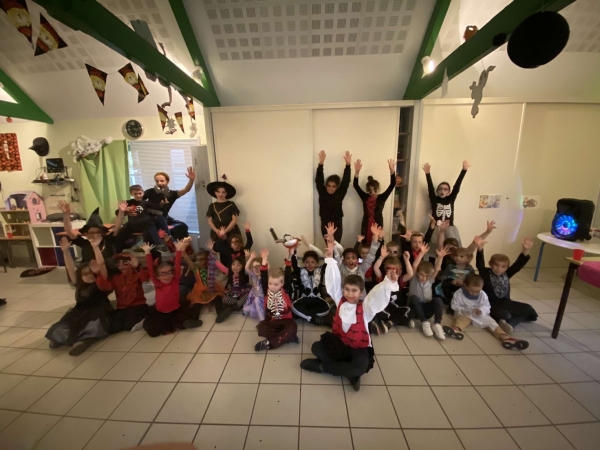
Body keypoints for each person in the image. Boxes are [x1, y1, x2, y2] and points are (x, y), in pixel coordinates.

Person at [300, 241, 397, 391]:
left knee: (359, 367)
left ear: (361, 292)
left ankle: (323, 367)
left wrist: (387, 282)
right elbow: (333, 282)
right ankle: (348, 372)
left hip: (358, 348)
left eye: (354, 291)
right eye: (347, 290)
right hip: (340, 345)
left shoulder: (366, 308)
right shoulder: (340, 300)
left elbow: (377, 296)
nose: (350, 294)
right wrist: (330, 260)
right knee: (316, 348)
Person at [45, 237, 114, 356]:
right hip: (80, 311)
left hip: (99, 310)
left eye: (91, 273)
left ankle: (84, 341)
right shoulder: (78, 283)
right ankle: (63, 338)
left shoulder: (99, 282)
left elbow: (101, 265)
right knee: (67, 325)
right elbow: (71, 267)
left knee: (92, 326)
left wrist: (95, 247)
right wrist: (66, 251)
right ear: (80, 276)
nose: (89, 276)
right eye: (85, 274)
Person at [443, 273, 529, 350]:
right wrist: (465, 310)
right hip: (465, 312)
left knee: (491, 322)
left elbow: (486, 306)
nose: (474, 294)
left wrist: (481, 310)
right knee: (463, 319)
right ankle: (456, 329)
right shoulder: (458, 293)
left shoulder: (482, 294)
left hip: (478, 313)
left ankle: (505, 337)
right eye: (472, 291)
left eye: (477, 291)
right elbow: (454, 305)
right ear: (465, 285)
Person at [474, 235, 538, 331]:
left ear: (506, 268)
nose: (499, 268)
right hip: (490, 304)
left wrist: (525, 251)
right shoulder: (486, 273)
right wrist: (480, 249)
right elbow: (480, 264)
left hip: (505, 303)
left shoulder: (506, 275)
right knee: (506, 314)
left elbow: (517, 266)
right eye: (496, 265)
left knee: (528, 309)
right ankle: (507, 320)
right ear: (491, 264)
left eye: (503, 266)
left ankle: (510, 323)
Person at [141, 240, 203, 337]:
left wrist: (178, 250)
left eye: (170, 272)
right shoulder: (157, 283)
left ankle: (188, 322)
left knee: (186, 315)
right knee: (152, 330)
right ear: (157, 276)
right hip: (161, 312)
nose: (167, 275)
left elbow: (177, 265)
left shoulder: (175, 280)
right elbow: (150, 268)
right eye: (163, 273)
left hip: (176, 310)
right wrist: (147, 252)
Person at [255, 249, 300, 351]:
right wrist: (264, 260)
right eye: (270, 284)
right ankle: (287, 336)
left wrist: (288, 257)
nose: (272, 287)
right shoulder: (267, 290)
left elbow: (288, 274)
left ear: (282, 284)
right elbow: (263, 277)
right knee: (261, 329)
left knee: (293, 327)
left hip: (286, 320)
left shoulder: (286, 290)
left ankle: (269, 344)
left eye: (276, 284)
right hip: (273, 320)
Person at [95, 252, 149, 334]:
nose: (121, 266)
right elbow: (106, 287)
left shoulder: (136, 273)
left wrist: (137, 266)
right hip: (122, 308)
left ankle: (145, 317)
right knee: (113, 327)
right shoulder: (116, 277)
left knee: (129, 325)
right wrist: (98, 274)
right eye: (118, 264)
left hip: (137, 305)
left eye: (125, 263)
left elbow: (145, 278)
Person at [370, 248, 419, 334]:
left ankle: (390, 323)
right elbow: (376, 268)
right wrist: (381, 257)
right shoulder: (382, 279)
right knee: (376, 311)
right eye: (389, 270)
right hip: (383, 307)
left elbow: (410, 274)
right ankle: (400, 321)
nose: (392, 273)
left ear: (399, 272)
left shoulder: (400, 280)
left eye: (395, 271)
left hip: (395, 307)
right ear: (385, 271)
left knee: (411, 310)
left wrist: (407, 261)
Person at [422, 159, 470, 245]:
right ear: (437, 191)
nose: (442, 191)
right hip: (435, 227)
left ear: (448, 192)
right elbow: (430, 188)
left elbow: (456, 187)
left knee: (453, 247)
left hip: (449, 227)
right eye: (440, 189)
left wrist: (464, 170)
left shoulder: (451, 199)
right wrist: (427, 174)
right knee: (432, 248)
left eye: (445, 189)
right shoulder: (434, 199)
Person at [408, 245, 449, 340]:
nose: (424, 278)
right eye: (422, 275)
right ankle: (425, 323)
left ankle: (437, 324)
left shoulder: (430, 280)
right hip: (414, 310)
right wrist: (421, 253)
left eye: (427, 276)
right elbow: (414, 266)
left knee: (438, 300)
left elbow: (437, 268)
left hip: (427, 309)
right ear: (418, 273)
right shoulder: (413, 279)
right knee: (414, 298)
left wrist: (440, 257)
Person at [143, 168, 196, 240]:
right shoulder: (149, 191)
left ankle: (176, 245)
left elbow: (186, 190)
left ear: (167, 181)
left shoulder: (172, 194)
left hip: (163, 218)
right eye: (157, 181)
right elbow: (138, 201)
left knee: (182, 226)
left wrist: (191, 180)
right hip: (149, 218)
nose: (159, 183)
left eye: (162, 181)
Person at [353, 158, 396, 244]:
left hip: (378, 224)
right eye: (370, 191)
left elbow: (392, 184)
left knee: (378, 243)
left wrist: (392, 171)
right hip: (366, 224)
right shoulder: (365, 197)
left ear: (378, 189)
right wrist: (357, 172)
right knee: (365, 243)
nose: (372, 192)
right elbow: (355, 185)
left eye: (375, 190)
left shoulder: (382, 198)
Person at [315, 150, 352, 242]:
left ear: (337, 187)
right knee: (328, 245)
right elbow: (319, 180)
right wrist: (321, 164)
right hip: (325, 222)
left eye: (333, 186)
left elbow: (345, 182)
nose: (330, 188)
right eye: (328, 186)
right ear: (326, 185)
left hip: (337, 223)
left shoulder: (340, 194)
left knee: (336, 245)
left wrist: (348, 165)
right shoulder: (322, 192)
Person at [287, 248, 330, 325]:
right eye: (307, 262)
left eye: (313, 262)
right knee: (293, 307)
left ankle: (307, 315)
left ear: (317, 263)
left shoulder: (320, 270)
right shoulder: (300, 271)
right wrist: (293, 251)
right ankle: (312, 318)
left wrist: (329, 254)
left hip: (317, 299)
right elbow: (294, 263)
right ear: (304, 263)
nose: (310, 265)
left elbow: (327, 264)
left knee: (327, 308)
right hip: (304, 299)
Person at [119, 186, 170, 251]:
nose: (138, 195)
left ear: (143, 193)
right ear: (131, 194)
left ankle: (169, 238)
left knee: (160, 218)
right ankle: (158, 244)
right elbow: (117, 212)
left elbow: (157, 207)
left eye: (140, 193)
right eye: (135, 194)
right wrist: (125, 210)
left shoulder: (145, 202)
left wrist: (162, 204)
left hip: (145, 222)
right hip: (134, 223)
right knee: (149, 221)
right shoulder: (128, 202)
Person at [211, 252, 252, 323]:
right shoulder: (229, 272)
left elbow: (248, 267)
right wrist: (213, 255)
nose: (235, 267)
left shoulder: (245, 273)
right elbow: (220, 266)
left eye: (238, 265)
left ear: (242, 266)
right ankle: (236, 305)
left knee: (249, 295)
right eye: (233, 264)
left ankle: (235, 305)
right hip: (233, 294)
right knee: (224, 298)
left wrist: (248, 258)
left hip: (242, 293)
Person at [181, 247, 224, 312]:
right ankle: (194, 318)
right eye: (198, 260)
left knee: (217, 298)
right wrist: (183, 252)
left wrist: (212, 250)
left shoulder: (210, 267)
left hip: (212, 287)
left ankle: (220, 312)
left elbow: (214, 258)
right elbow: (188, 260)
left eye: (202, 259)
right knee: (197, 302)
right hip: (199, 289)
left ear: (207, 260)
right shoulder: (195, 268)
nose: (200, 262)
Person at [206, 176, 241, 241]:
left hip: (231, 232)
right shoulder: (212, 206)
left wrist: (225, 231)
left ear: (226, 193)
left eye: (223, 192)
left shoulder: (231, 204)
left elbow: (234, 219)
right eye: (218, 192)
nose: (220, 194)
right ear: (215, 192)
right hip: (216, 233)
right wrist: (217, 231)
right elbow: (210, 221)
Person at [243, 250, 265, 321]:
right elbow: (246, 267)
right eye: (254, 267)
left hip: (262, 298)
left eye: (258, 266)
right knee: (246, 311)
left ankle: (262, 319)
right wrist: (251, 258)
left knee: (257, 301)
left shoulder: (264, 277)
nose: (256, 269)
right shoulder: (253, 275)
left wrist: (264, 258)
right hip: (254, 294)